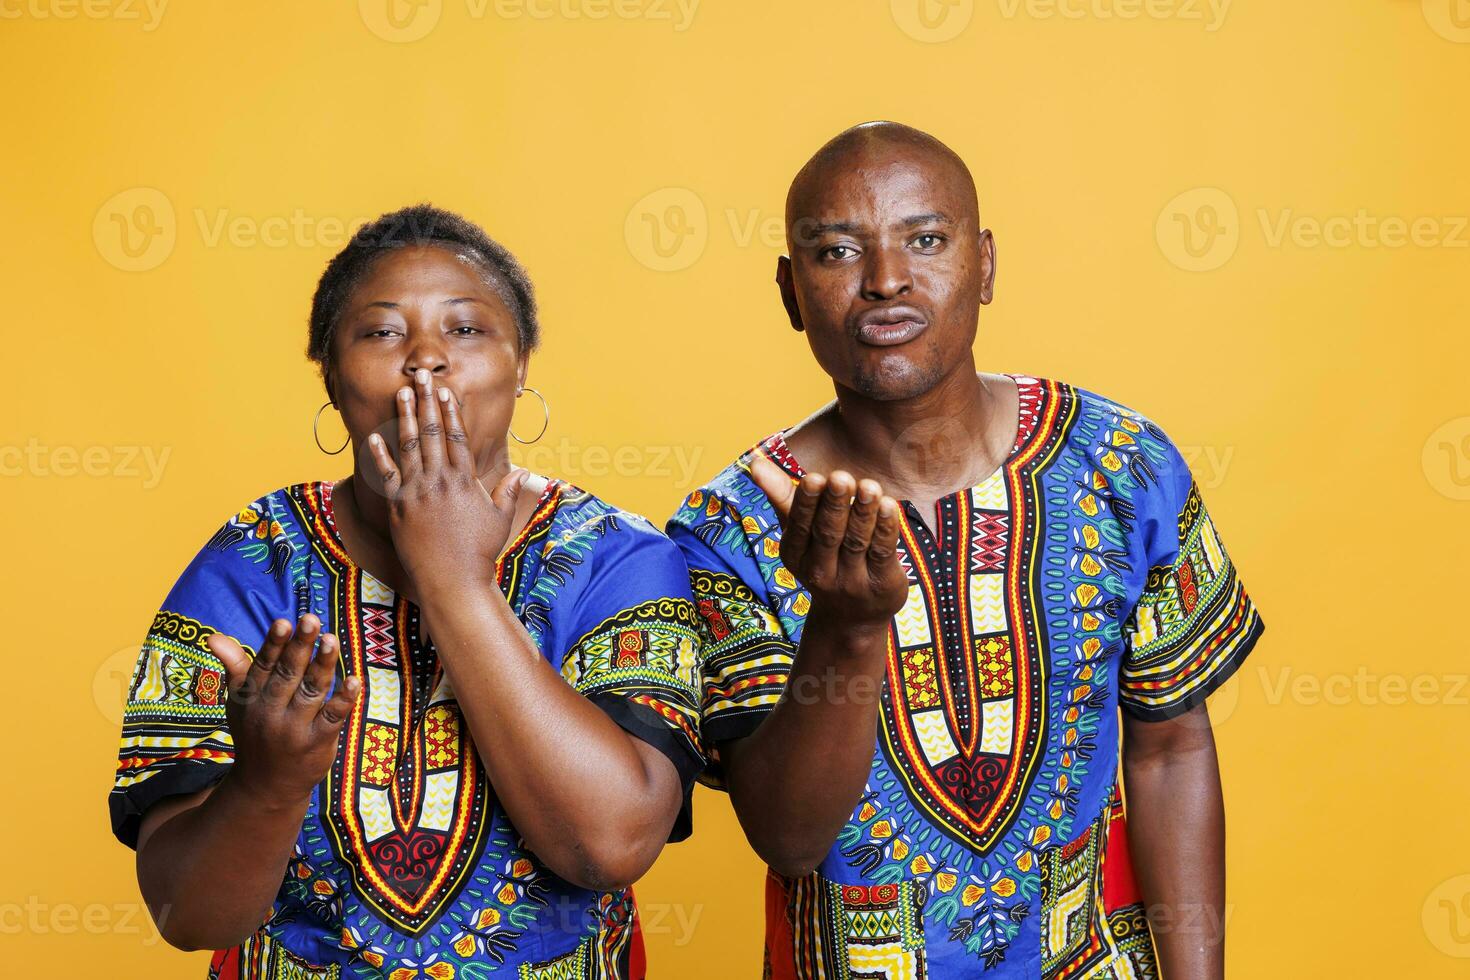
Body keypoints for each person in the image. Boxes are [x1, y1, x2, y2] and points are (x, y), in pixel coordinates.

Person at [667, 123, 1263, 979]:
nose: (885, 281)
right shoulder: (727, 531)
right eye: (837, 251)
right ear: (791, 292)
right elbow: (789, 838)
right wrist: (845, 623)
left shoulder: (1121, 461)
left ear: (984, 264)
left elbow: (1172, 750)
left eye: (927, 240)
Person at [109, 205, 703, 979]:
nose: (425, 360)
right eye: (382, 333)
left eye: (465, 330)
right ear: (329, 370)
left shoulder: (617, 558)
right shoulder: (252, 561)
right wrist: (264, 787)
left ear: (522, 364)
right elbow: (186, 916)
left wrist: (454, 584)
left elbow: (611, 845)